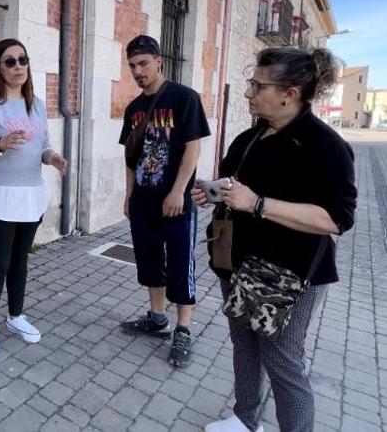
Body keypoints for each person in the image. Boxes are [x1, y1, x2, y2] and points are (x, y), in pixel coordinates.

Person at [194, 47, 357, 432]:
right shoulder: (251, 136)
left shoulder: (326, 147)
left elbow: (337, 219)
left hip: (289, 276)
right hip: (235, 263)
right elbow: (234, 183)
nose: (249, 93)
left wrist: (259, 204)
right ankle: (245, 419)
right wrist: (212, 192)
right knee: (244, 345)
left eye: (257, 85)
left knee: (283, 363)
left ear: (290, 92)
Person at [0, 38, 67, 358]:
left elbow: (44, 145)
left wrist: (52, 158)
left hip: (29, 194)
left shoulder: (35, 103)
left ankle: (16, 317)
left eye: (23, 59)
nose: (18, 66)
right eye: (10, 61)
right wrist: (0, 144)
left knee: (21, 259)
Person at [118, 34, 210, 368]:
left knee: (181, 261)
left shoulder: (184, 98)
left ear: (159, 61)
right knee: (149, 259)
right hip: (143, 200)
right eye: (132, 66)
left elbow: (193, 146)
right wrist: (129, 194)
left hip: (175, 201)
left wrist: (178, 191)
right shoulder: (134, 109)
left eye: (143, 63)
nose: (138, 71)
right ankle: (157, 319)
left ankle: (183, 329)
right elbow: (130, 157)